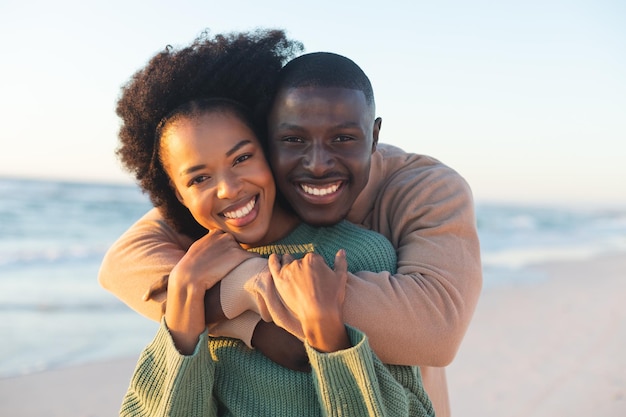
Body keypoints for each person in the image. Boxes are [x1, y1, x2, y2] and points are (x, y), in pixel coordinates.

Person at [100, 28, 483, 417]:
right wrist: (243, 311)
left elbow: (437, 329)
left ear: (374, 135)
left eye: (344, 138)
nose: (317, 165)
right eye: (294, 140)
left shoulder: (426, 188)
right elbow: (123, 263)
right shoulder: (242, 198)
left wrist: (229, 301)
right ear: (269, 137)